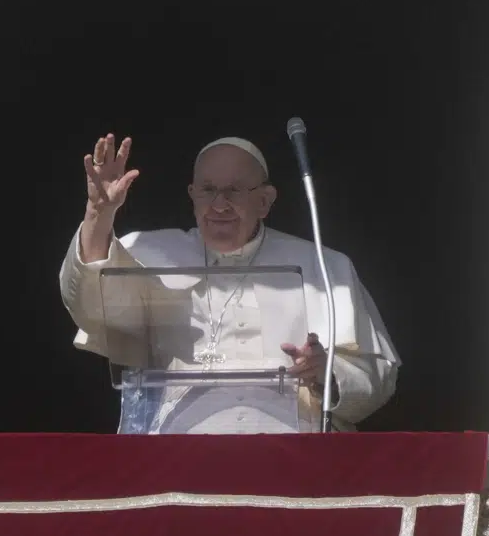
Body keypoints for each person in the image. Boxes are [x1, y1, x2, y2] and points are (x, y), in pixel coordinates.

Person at [59, 132, 399, 432]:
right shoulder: (149, 253)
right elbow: (91, 305)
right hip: (176, 457)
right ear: (192, 195)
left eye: (234, 191)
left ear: (264, 202)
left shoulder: (324, 266)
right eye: (208, 190)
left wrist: (328, 372)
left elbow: (378, 378)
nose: (219, 204)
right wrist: (98, 214)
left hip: (294, 458)